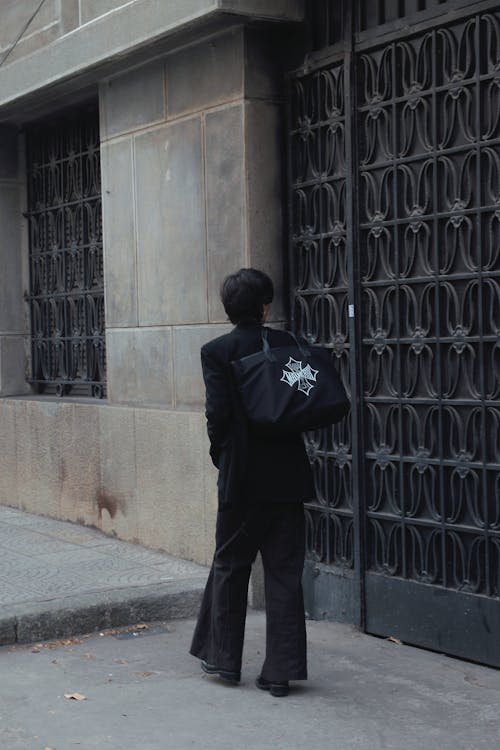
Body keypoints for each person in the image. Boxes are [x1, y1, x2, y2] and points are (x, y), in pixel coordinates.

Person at [189, 267, 314, 698]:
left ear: (228, 308)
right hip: (288, 475)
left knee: (230, 564)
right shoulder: (288, 345)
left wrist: (221, 457)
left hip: (242, 479)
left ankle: (224, 660)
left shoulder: (216, 351)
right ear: (265, 306)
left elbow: (217, 416)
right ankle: (280, 673)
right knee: (284, 574)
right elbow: (303, 403)